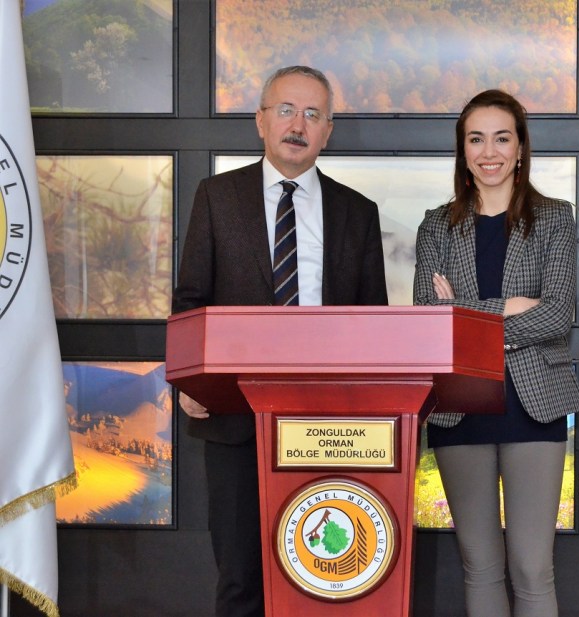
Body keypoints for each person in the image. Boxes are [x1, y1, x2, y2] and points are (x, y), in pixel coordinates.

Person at [172, 65, 388, 617]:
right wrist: (190, 381)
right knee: (241, 580)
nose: (298, 124)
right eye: (286, 110)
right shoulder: (217, 197)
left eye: (313, 114)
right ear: (261, 121)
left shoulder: (358, 213)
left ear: (328, 131)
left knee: (326, 578)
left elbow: (374, 323)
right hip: (234, 420)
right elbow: (191, 301)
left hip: (332, 427)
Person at [413, 89, 579, 617]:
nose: (489, 152)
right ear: (463, 151)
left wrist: (467, 313)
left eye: (502, 138)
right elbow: (430, 319)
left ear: (520, 148)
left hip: (534, 405)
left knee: (532, 568)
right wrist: (508, 307)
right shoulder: (436, 225)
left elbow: (557, 315)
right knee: (480, 565)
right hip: (459, 407)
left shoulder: (554, 218)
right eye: (476, 139)